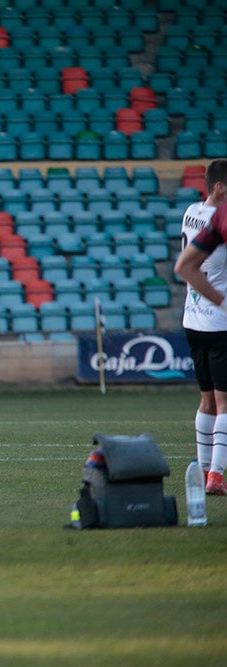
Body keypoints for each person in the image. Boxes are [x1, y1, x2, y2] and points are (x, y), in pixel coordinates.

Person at [173, 159, 227, 496]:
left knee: (206, 399)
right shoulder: (219, 222)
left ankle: (204, 468)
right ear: (221, 188)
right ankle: (217, 477)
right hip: (220, 321)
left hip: (191, 318)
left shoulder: (191, 211)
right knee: (225, 404)